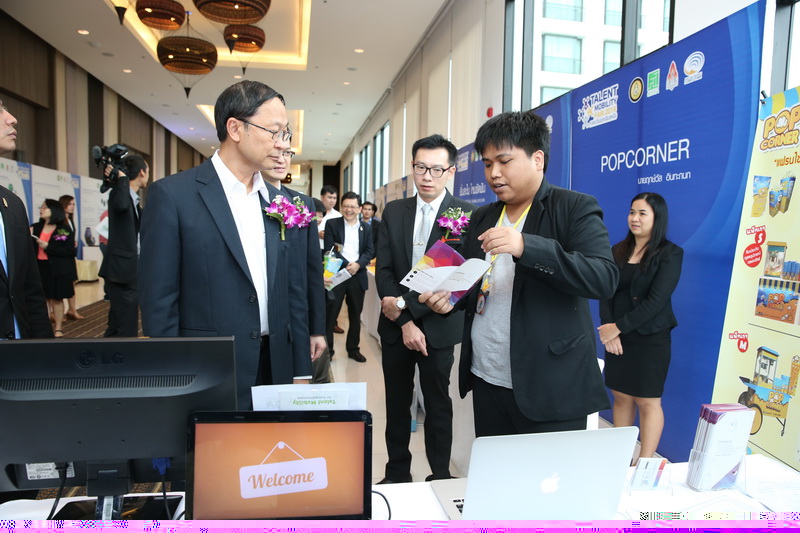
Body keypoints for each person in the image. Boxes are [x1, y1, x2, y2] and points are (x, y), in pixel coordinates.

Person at [420, 111, 618, 438]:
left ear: (537, 159)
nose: (493, 173)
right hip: (487, 377)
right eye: (487, 164)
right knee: (496, 467)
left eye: (504, 161)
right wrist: (448, 299)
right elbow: (472, 280)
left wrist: (527, 247)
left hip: (549, 385)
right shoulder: (483, 216)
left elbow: (603, 278)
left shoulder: (573, 208)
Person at [139, 80, 318, 409]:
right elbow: (159, 301)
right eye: (274, 132)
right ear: (235, 128)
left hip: (275, 364)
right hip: (207, 368)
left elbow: (293, 289)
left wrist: (300, 368)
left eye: (285, 133)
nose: (282, 144)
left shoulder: (278, 202)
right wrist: (172, 376)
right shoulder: (174, 196)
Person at [375, 134, 476, 483]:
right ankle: (396, 473)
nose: (427, 177)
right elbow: (385, 270)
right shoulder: (394, 211)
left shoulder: (465, 214)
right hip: (395, 327)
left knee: (437, 404)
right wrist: (404, 321)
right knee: (396, 403)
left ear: (451, 171)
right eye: (421, 168)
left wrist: (407, 309)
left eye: (436, 169)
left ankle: (440, 475)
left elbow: (458, 279)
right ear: (412, 167)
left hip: (438, 327)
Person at [598, 192, 683, 460]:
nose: (635, 218)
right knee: (621, 396)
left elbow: (657, 301)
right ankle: (621, 458)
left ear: (657, 218)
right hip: (618, 339)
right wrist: (609, 329)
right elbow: (605, 292)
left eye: (642, 213)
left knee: (648, 401)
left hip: (650, 338)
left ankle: (645, 464)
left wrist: (617, 327)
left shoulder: (670, 253)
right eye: (632, 212)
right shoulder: (617, 251)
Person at [260, 149, 330, 384]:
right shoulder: (244, 202)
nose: (281, 160)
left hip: (293, 321)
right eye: (274, 153)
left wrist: (317, 329)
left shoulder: (302, 203)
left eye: (287, 153)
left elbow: (312, 270)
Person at [0, 99, 53, 341]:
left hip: (18, 353)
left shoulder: (12, 204)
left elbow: (30, 290)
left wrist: (44, 352)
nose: (12, 118)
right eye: (0, 110)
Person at [99, 155, 148, 337]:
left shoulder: (134, 200)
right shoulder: (120, 195)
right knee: (125, 322)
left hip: (129, 269)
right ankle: (125, 351)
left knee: (120, 319)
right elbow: (120, 205)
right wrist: (122, 179)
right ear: (142, 172)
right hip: (122, 270)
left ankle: (112, 350)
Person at [324, 191, 374, 362]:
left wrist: (358, 264)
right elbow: (329, 249)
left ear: (359, 209)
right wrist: (348, 265)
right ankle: (328, 352)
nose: (349, 209)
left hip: (357, 276)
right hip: (337, 275)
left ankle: (353, 349)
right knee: (331, 316)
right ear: (341, 207)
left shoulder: (366, 228)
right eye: (345, 206)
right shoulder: (332, 224)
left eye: (353, 206)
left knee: (355, 316)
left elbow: (370, 250)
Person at [31, 199, 76, 338]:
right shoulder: (35, 227)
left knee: (57, 298)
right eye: (41, 207)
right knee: (41, 299)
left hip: (57, 269)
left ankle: (58, 328)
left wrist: (47, 247)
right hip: (39, 267)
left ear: (54, 210)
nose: (41, 209)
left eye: (45, 207)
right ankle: (43, 327)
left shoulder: (63, 229)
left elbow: (69, 251)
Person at [59, 194, 84, 320]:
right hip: (63, 257)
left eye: (74, 204)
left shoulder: (70, 220)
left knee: (72, 282)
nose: (72, 207)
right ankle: (60, 311)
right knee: (64, 284)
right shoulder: (60, 221)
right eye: (70, 204)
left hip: (70, 255)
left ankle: (72, 309)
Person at [317, 185, 341, 251]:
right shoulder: (313, 212)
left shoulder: (338, 215)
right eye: (330, 197)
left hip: (331, 251)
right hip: (316, 248)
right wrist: (317, 234)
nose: (332, 201)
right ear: (322, 197)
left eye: (334, 198)